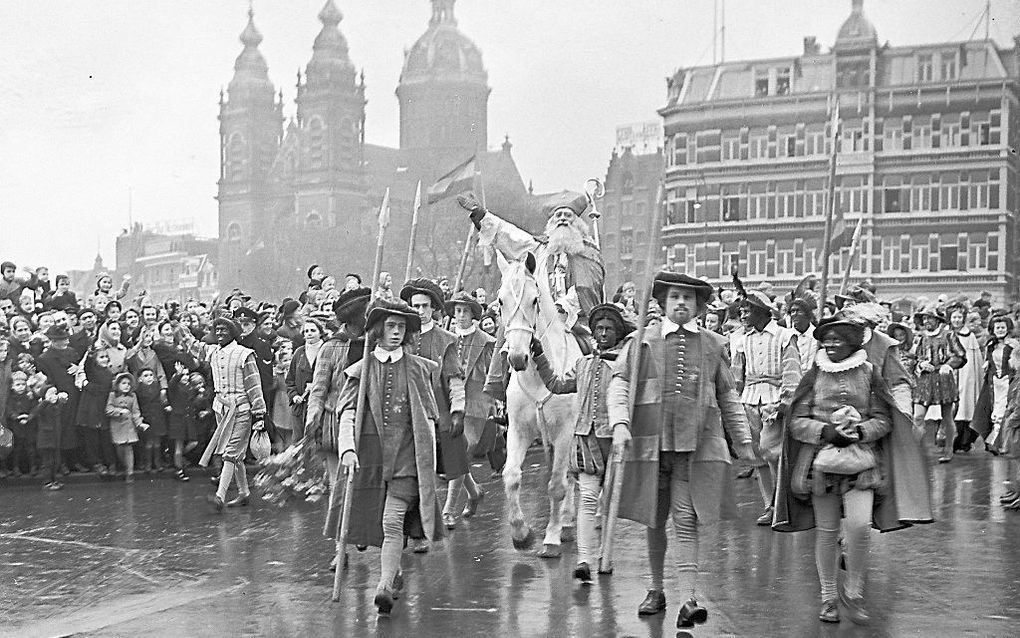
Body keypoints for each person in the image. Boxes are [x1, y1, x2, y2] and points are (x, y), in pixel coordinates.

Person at [607, 272, 754, 630]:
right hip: (650, 447)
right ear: (663, 303)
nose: (682, 304)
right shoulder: (642, 342)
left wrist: (744, 441)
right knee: (654, 519)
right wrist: (620, 423)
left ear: (700, 306)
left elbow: (728, 396)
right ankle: (656, 590)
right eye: (675, 297)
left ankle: (689, 599)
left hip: (695, 447)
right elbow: (620, 382)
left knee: (686, 519)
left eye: (689, 298)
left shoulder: (713, 345)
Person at [774, 317, 932, 625]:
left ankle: (854, 591)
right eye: (827, 340)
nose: (831, 345)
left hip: (862, 463)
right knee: (828, 531)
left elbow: (883, 418)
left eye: (838, 340)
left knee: (859, 527)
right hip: (820, 464)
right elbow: (797, 421)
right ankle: (828, 597)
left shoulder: (870, 373)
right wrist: (825, 432)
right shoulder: (814, 374)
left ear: (852, 343)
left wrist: (860, 431)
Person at [336, 298, 444, 616]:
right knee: (376, 525)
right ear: (378, 330)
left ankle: (383, 586)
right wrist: (347, 448)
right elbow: (347, 412)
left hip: (407, 460)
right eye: (390, 326)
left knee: (392, 520)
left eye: (401, 327)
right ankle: (393, 571)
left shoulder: (417, 368)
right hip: (370, 458)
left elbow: (429, 418)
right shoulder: (363, 368)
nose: (396, 333)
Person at [532, 303, 633, 583]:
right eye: (598, 329)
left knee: (610, 502)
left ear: (618, 333)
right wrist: (539, 355)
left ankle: (606, 556)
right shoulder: (584, 364)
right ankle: (585, 560)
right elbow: (557, 384)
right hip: (586, 440)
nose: (602, 334)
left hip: (615, 443)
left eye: (608, 329)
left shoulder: (627, 366)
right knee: (587, 500)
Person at [400, 278, 468, 550]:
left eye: (425, 306)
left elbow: (454, 379)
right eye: (414, 305)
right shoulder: (399, 334)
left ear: (434, 309)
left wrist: (457, 410)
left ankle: (436, 519)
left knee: (446, 465)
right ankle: (407, 530)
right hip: (404, 413)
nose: (419, 310)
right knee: (406, 474)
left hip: (436, 411)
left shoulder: (446, 340)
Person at [182, 317, 268, 511]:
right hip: (220, 409)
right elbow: (195, 347)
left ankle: (220, 496)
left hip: (241, 409)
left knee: (230, 453)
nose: (220, 333)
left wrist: (259, 413)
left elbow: (254, 384)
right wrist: (181, 330)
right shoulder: (213, 351)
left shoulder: (245, 354)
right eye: (217, 329)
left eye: (225, 330)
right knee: (235, 455)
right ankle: (244, 493)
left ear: (233, 333)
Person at [732, 290, 802, 526]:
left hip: (775, 401)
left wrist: (785, 402)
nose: (743, 314)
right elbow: (736, 375)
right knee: (758, 456)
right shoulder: (742, 340)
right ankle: (769, 505)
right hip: (750, 400)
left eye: (748, 310)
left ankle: (784, 503)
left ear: (762, 312)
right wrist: (734, 402)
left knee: (773, 452)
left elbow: (792, 370)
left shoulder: (785, 336)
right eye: (742, 310)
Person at [441, 291, 493, 529]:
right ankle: (474, 492)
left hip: (476, 404)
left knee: (462, 450)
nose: (460, 315)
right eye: (457, 310)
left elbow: (495, 376)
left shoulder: (486, 341)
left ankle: (448, 509)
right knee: (457, 454)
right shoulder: (446, 338)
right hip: (451, 403)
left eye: (465, 311)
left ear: (474, 314)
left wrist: (497, 402)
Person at [912, 306, 966, 463]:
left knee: (947, 417)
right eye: (924, 319)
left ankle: (948, 450)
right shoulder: (922, 337)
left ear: (937, 320)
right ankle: (915, 453)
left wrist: (948, 365)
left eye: (929, 318)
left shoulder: (949, 335)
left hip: (943, 379)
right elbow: (918, 358)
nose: (926, 321)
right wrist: (921, 365)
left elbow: (961, 355)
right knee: (918, 416)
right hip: (925, 380)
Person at [973, 315, 1018, 455]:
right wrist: (987, 363)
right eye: (997, 327)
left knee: (1006, 409)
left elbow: (1017, 361)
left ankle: (1003, 443)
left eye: (1002, 327)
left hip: (1009, 381)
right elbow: (988, 359)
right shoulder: (990, 345)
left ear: (1008, 328)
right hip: (994, 382)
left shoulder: (1014, 344)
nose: (999, 330)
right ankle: (995, 441)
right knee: (994, 410)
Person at [948, 303, 983, 452]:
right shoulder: (946, 334)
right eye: (954, 317)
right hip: (950, 373)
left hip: (966, 374)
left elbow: (974, 359)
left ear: (963, 319)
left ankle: (964, 440)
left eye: (959, 317)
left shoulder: (969, 335)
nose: (956, 320)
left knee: (965, 405)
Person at [286, 318, 324, 443]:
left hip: (320, 406)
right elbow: (290, 380)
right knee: (298, 441)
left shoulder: (327, 350)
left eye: (313, 330)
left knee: (316, 441)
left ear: (320, 332)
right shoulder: (299, 352)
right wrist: (294, 395)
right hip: (300, 407)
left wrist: (317, 385)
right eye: (306, 331)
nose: (309, 333)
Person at [106, 372, 146, 483]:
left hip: (129, 426)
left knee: (129, 448)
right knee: (120, 448)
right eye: (123, 383)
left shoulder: (133, 396)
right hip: (117, 426)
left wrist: (139, 423)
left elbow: (135, 411)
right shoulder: (113, 396)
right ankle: (123, 465)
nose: (126, 385)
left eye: (128, 383)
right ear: (117, 384)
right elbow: (108, 409)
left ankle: (130, 472)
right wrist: (119, 411)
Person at [788, 297, 818, 374]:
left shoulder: (818, 336)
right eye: (792, 311)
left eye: (798, 311)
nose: (794, 314)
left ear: (807, 314)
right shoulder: (786, 336)